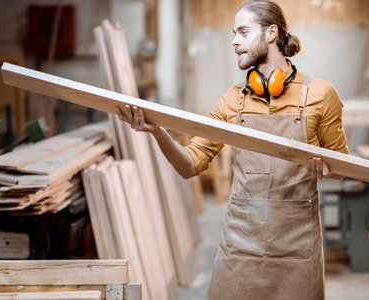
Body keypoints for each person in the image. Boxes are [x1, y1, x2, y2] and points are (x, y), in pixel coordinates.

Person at [116, 0, 348, 298]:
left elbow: (341, 168)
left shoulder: (320, 94)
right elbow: (189, 166)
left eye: (243, 32)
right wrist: (157, 132)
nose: (234, 42)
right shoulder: (231, 101)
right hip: (240, 246)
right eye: (233, 33)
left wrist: (325, 168)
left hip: (297, 249)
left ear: (271, 33)